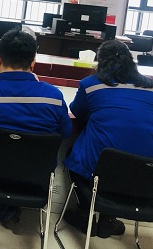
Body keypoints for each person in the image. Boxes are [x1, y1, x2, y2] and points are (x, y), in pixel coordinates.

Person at [0, 28, 71, 226]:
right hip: (35, 173)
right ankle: (5, 208)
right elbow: (66, 132)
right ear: (33, 62)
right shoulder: (53, 97)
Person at [62, 40, 153, 238]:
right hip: (146, 173)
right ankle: (108, 219)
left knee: (76, 156)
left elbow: (77, 112)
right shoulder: (150, 86)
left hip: (101, 169)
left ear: (100, 61)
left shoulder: (91, 85)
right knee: (122, 162)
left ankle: (85, 213)